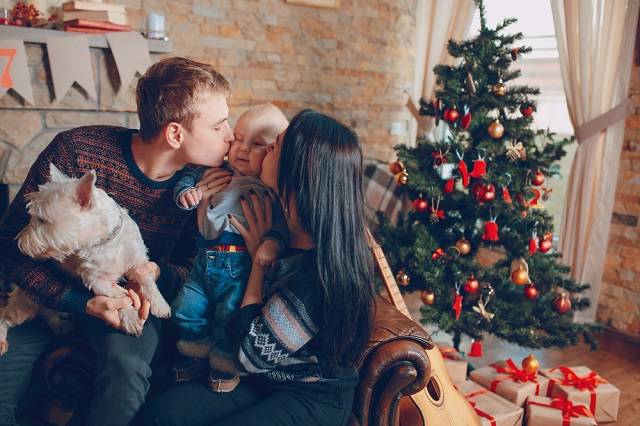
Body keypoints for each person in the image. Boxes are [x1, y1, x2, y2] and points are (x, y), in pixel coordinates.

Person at [0, 57, 234, 426]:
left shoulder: (209, 183)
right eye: (220, 125)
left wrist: (156, 273)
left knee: (126, 372)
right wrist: (81, 302)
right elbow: (9, 245)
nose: (231, 135)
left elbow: (197, 267)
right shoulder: (76, 152)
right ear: (175, 134)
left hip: (131, 300)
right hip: (44, 294)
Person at [136, 110, 376, 426]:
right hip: (261, 378)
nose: (262, 153)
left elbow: (249, 355)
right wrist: (206, 218)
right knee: (159, 416)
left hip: (307, 393)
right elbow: (213, 271)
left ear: (298, 170)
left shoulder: (316, 273)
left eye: (273, 146)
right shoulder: (272, 213)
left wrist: (257, 268)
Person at [170, 104, 289, 393]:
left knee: (228, 318)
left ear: (277, 154)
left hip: (240, 271)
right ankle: (197, 352)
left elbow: (281, 227)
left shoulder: (269, 189)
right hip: (204, 261)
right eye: (237, 138)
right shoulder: (216, 171)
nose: (242, 149)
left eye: (259, 145)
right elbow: (187, 178)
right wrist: (189, 192)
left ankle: (224, 364)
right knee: (184, 308)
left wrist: (272, 243)